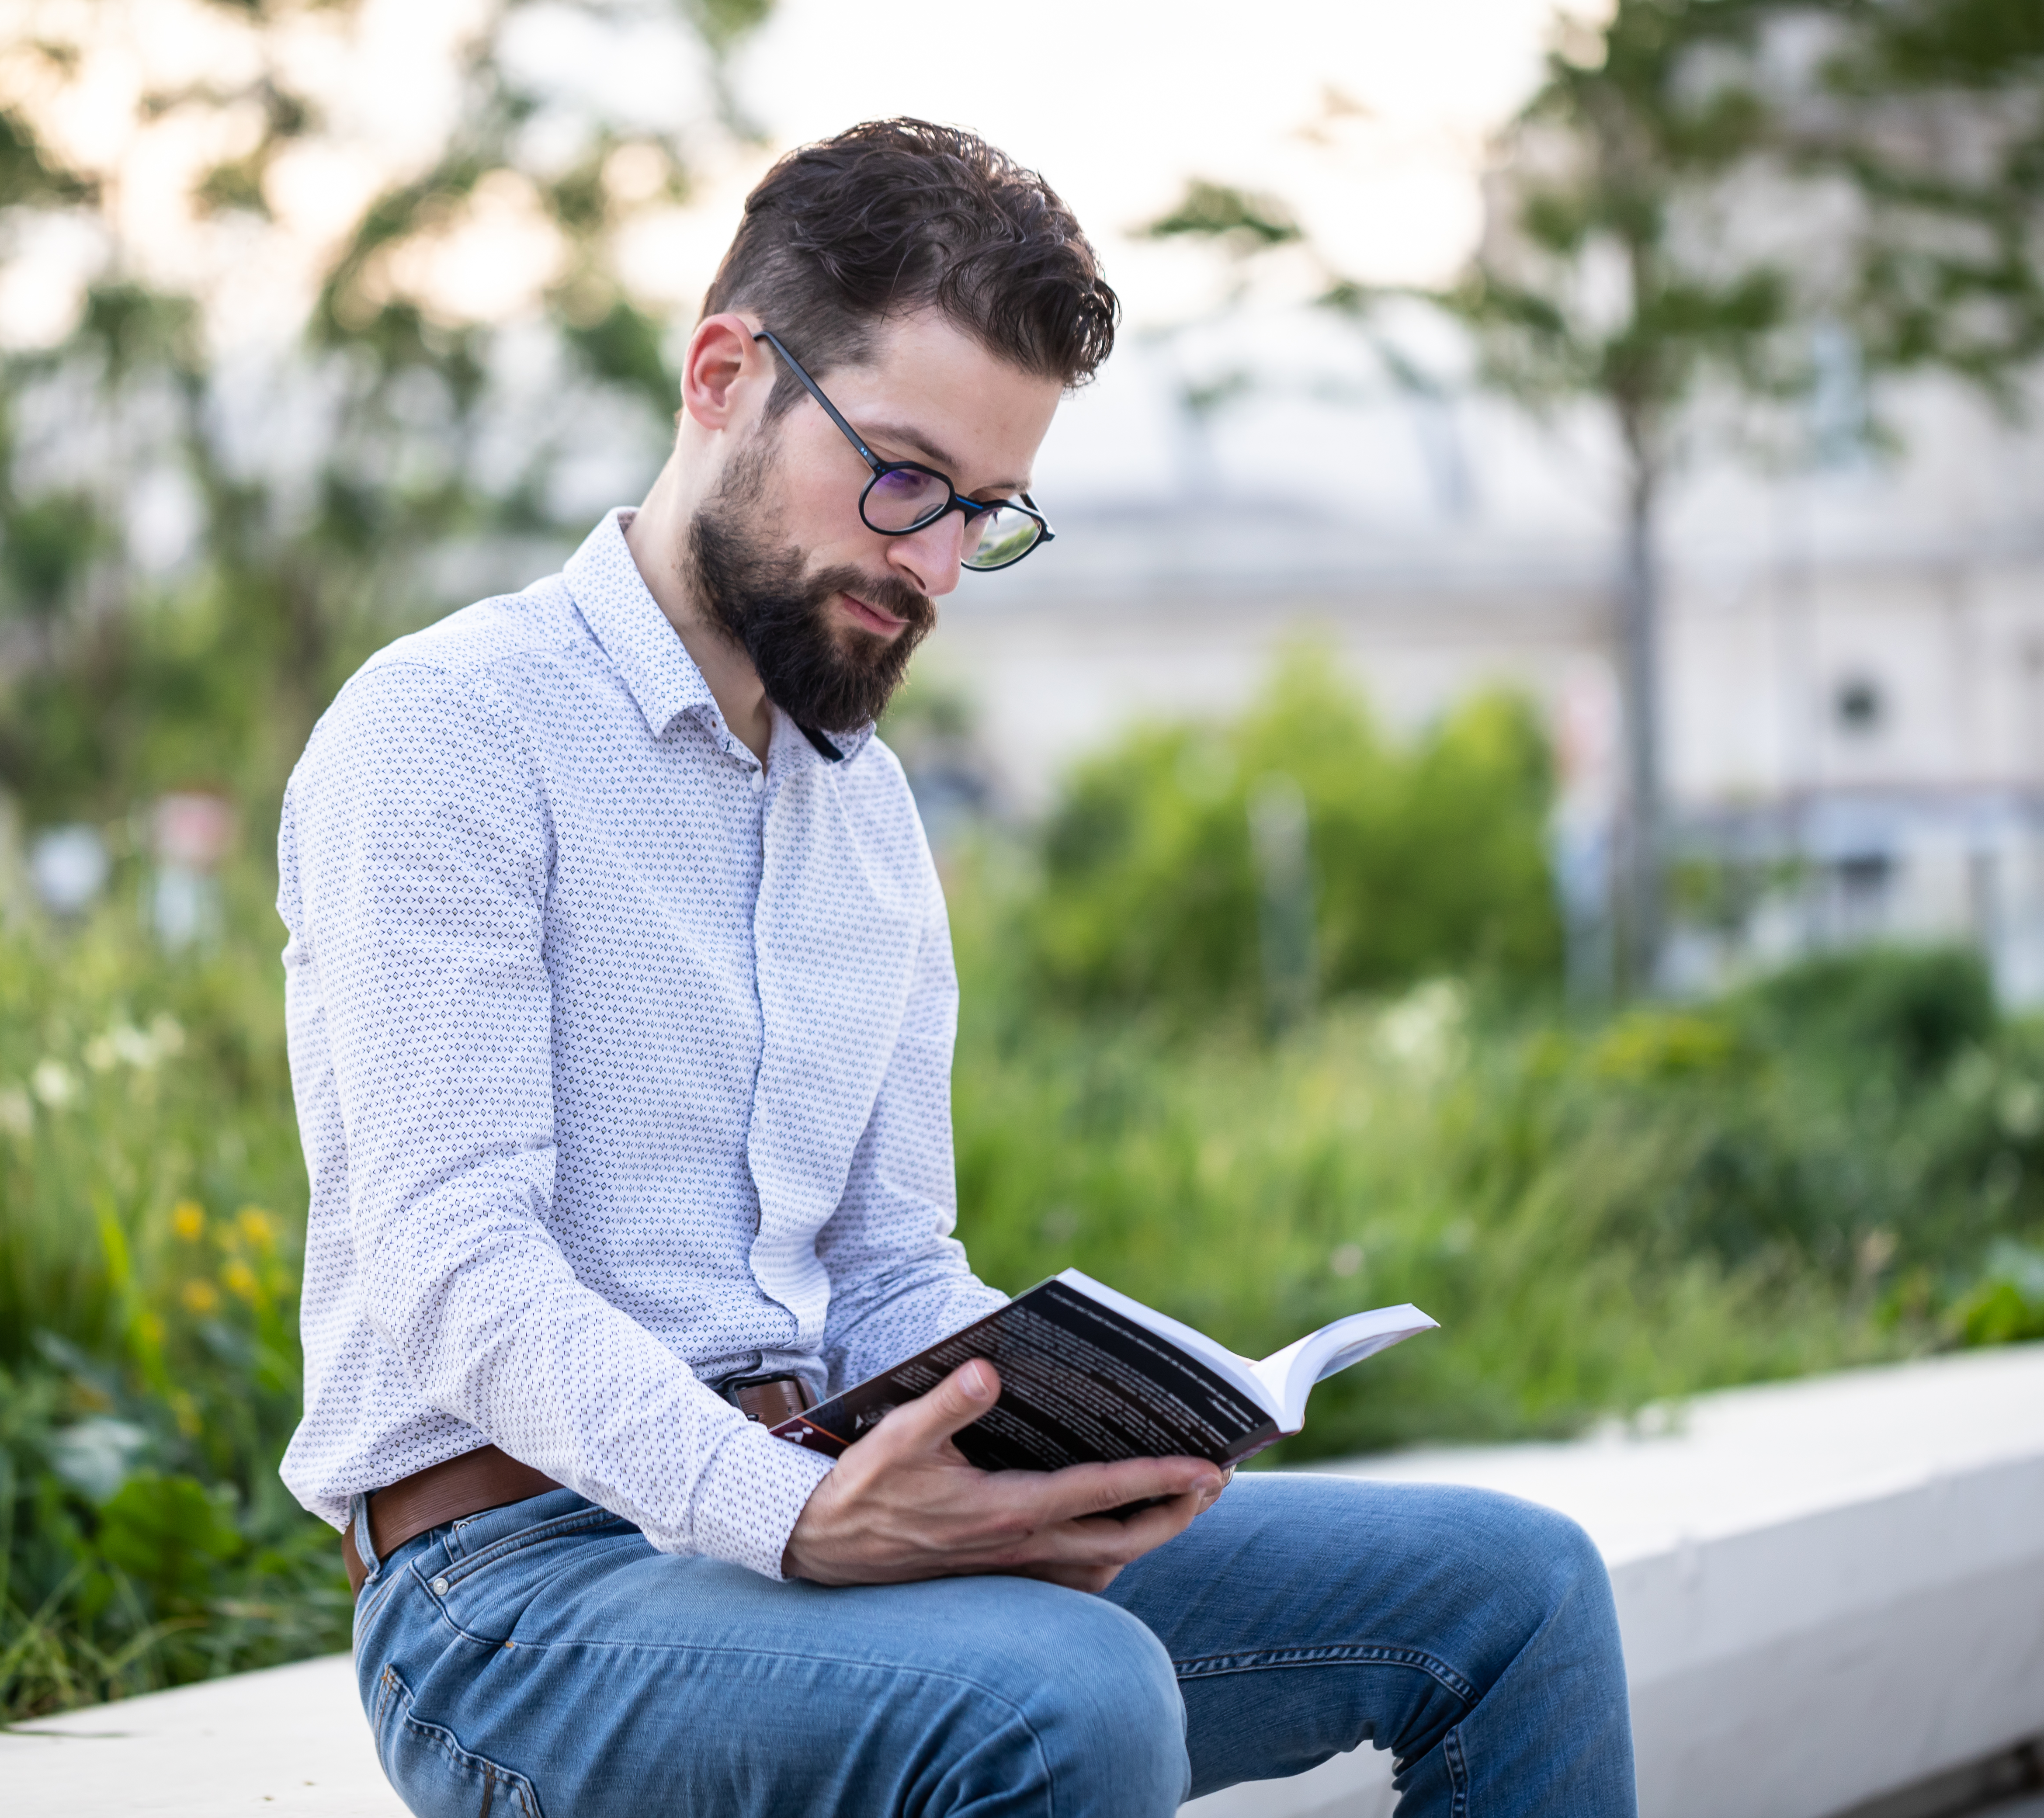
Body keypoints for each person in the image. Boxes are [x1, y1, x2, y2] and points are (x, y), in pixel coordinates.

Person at [276, 117, 1636, 1818]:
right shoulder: (449, 730)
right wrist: (780, 1512)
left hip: (841, 1515)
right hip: (521, 1591)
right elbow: (452, 1261)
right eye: (902, 477)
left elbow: (890, 1265)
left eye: (984, 512)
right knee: (1068, 1698)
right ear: (722, 376)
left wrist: (1080, 1439)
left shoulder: (868, 814)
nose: (929, 566)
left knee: (1518, 1588)